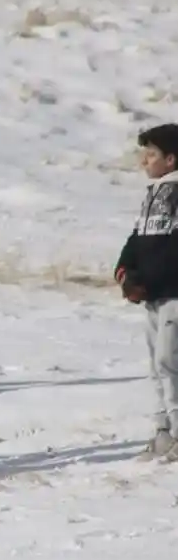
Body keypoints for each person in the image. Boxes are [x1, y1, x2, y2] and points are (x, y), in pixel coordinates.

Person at [114, 124, 178, 461]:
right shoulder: (153, 192)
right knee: (156, 364)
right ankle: (163, 430)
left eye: (151, 155)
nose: (144, 161)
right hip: (153, 295)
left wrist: (148, 280)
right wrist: (125, 271)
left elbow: (173, 249)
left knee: (170, 362)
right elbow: (138, 239)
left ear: (171, 159)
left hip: (172, 294)